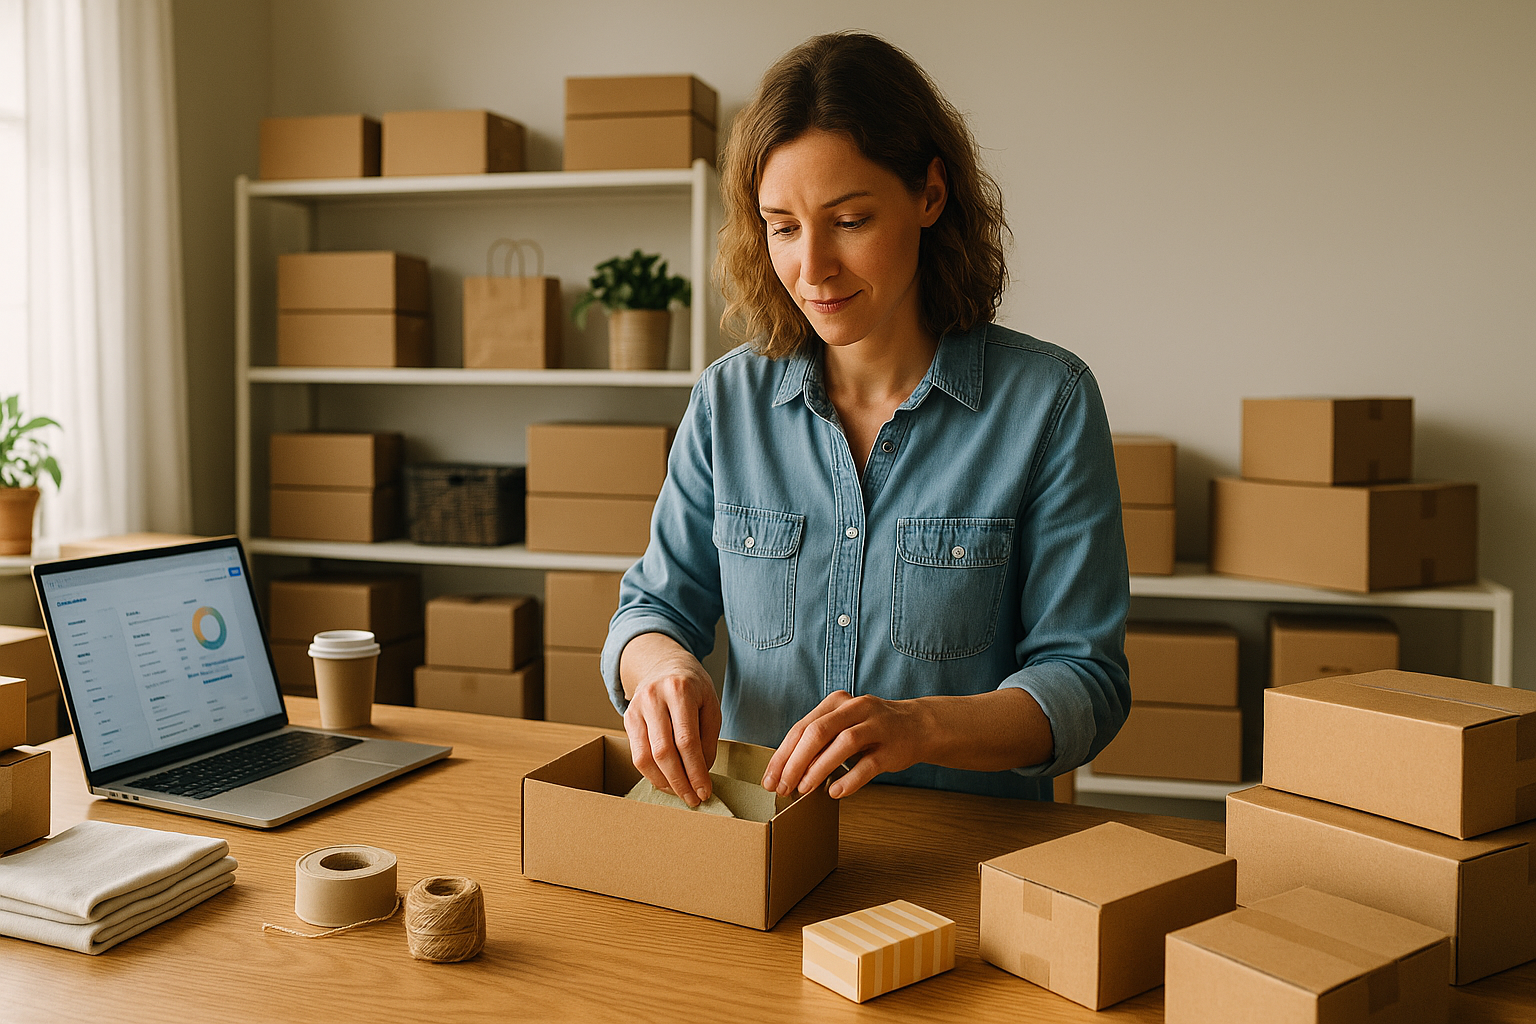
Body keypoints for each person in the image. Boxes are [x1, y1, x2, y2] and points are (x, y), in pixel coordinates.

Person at [599, 31, 1129, 808]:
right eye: (783, 226)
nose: (812, 269)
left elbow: (1086, 682)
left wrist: (920, 728)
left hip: (962, 859)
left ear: (930, 195)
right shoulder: (727, 402)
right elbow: (651, 612)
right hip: (763, 849)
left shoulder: (1049, 404)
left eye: (848, 220)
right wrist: (663, 670)